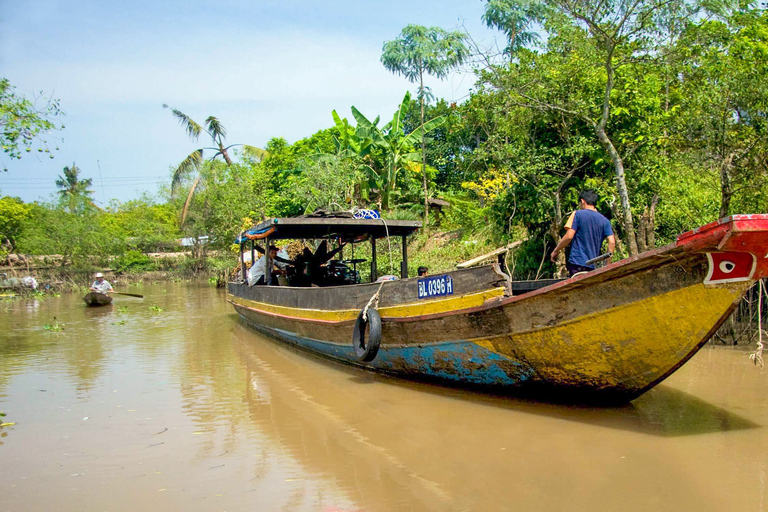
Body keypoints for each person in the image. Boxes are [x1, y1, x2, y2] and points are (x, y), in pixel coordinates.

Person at [550, 190, 616, 277]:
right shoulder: (605, 221)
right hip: (593, 265)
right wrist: (607, 264)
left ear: (582, 201)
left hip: (577, 263)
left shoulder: (577, 214)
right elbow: (612, 242)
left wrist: (556, 250)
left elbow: (569, 236)